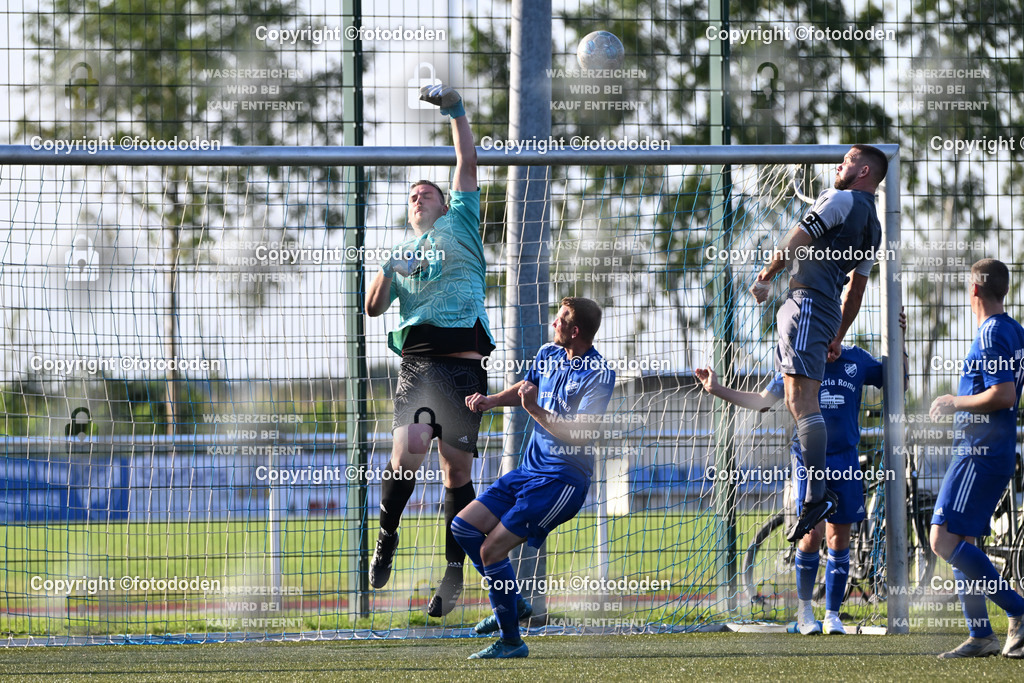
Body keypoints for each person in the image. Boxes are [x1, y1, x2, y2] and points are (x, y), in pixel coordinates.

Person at [364, 83, 495, 618]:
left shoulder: (461, 222)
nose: (418, 197)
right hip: (419, 367)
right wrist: (392, 269)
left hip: (464, 372)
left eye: (427, 192)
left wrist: (456, 109)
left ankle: (454, 573)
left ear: (445, 203)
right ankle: (387, 535)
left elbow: (467, 158)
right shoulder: (401, 250)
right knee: (408, 453)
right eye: (411, 195)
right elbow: (372, 308)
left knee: (456, 473)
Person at [696, 313, 906, 636]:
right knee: (813, 534)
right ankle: (806, 612)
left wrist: (900, 340)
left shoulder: (857, 360)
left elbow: (898, 382)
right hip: (810, 459)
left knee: (840, 539)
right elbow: (763, 401)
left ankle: (833, 615)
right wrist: (717, 389)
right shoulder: (800, 363)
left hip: (846, 460)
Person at [453, 297, 616, 659]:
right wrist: (492, 400)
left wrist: (534, 410)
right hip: (529, 472)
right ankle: (512, 601)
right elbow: (527, 388)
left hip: (561, 482)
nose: (553, 323)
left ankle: (512, 640)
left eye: (559, 320)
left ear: (575, 331)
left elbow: (579, 434)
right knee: (463, 527)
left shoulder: (600, 374)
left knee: (491, 549)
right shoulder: (548, 353)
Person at [749, 144, 888, 543]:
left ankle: (814, 494)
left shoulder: (841, 198)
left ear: (862, 170)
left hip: (808, 303)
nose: (838, 165)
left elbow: (798, 236)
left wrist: (766, 276)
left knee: (800, 401)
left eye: (845, 161)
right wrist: (837, 336)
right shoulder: (874, 227)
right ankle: (816, 494)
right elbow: (855, 293)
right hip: (823, 311)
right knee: (801, 399)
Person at [929, 258, 1024, 659]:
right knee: (964, 541)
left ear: (975, 290)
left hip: (979, 453)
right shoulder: (1014, 329)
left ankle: (1018, 610)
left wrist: (954, 401)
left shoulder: (992, 333)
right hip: (993, 450)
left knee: (942, 539)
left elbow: (1005, 395)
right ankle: (980, 635)